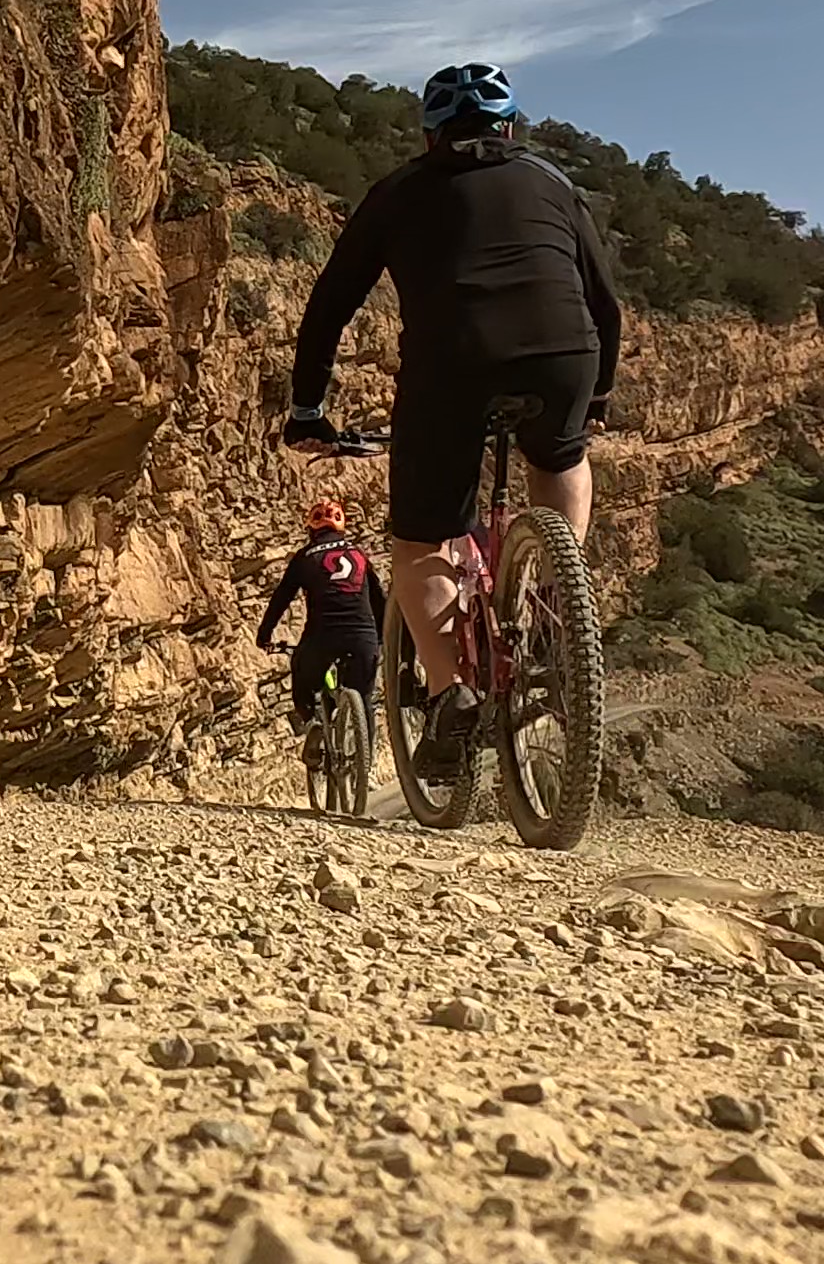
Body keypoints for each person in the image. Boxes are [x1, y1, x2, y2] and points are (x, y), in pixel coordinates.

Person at [281, 61, 624, 779]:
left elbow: (330, 303)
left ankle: (449, 693)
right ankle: (554, 600)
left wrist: (309, 407)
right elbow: (604, 300)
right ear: (511, 128)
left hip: (452, 366)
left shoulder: (397, 191)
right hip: (563, 353)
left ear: (430, 136)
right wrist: (596, 395)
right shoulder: (553, 181)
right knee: (560, 456)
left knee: (421, 539)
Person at [257, 496, 381, 729]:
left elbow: (282, 598)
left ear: (311, 530)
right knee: (365, 704)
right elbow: (378, 598)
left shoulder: (305, 556)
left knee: (302, 674)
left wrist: (264, 635)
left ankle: (312, 724)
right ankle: (367, 751)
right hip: (363, 635)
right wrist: (380, 638)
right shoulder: (359, 554)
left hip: (322, 636)